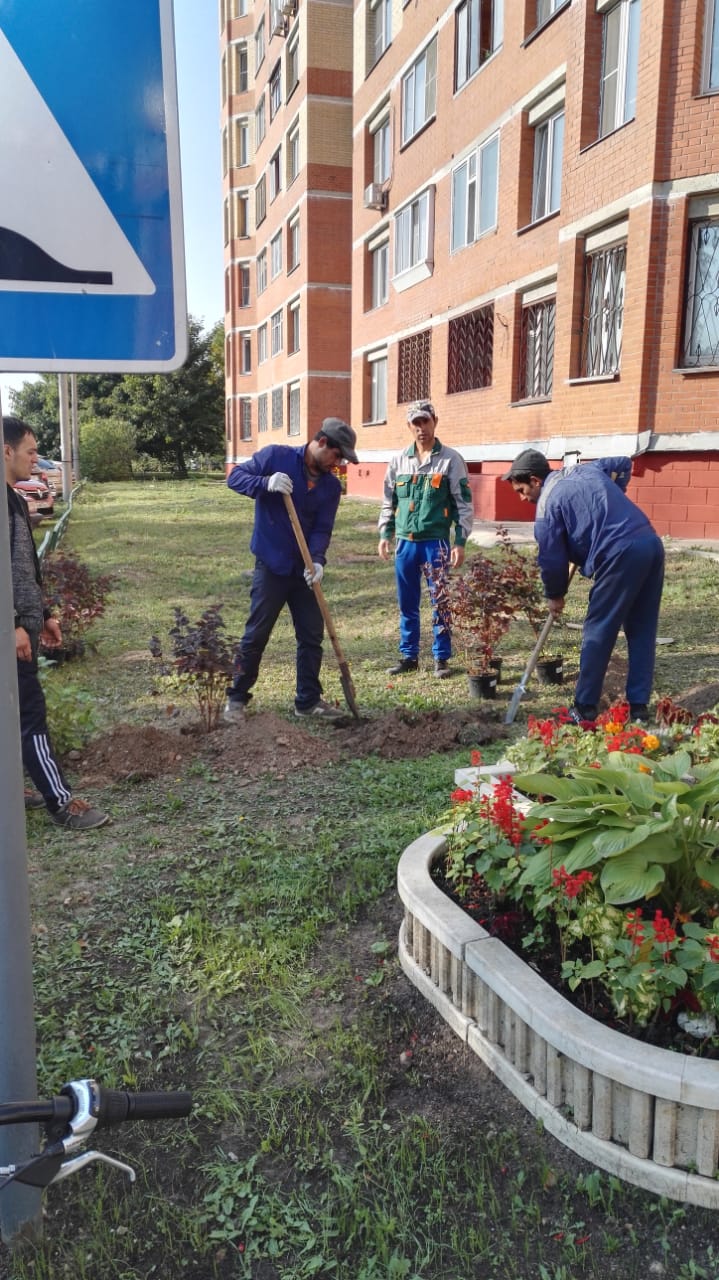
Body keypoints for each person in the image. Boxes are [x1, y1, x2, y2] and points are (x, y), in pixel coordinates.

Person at [503, 447, 665, 723]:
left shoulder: (546, 506)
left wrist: (555, 595)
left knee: (598, 630)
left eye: (521, 490)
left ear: (535, 480)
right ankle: (639, 707)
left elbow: (551, 559)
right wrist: (613, 496)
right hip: (650, 544)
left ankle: (584, 707)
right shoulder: (586, 469)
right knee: (641, 630)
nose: (522, 498)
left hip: (619, 553)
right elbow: (622, 463)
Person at [4, 415, 109, 830]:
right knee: (30, 714)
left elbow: (22, 567)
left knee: (11, 712)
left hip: (23, 622)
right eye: (30, 450)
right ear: (6, 450)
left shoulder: (12, 498)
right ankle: (62, 804)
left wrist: (44, 614)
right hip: (9, 629)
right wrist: (11, 623)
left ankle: (10, 788)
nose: (36, 458)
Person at [225, 418, 358, 721]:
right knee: (256, 634)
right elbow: (235, 477)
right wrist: (265, 483)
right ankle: (236, 699)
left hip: (304, 573)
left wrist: (318, 561)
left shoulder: (330, 487)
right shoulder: (276, 457)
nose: (338, 464)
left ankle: (308, 701)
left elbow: (322, 529)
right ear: (322, 442)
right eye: (337, 456)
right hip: (271, 567)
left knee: (311, 636)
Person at [378, 400, 474, 678]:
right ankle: (409, 656)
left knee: (440, 600)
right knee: (407, 602)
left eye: (425, 421)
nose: (421, 428)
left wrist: (460, 541)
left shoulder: (450, 460)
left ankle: (441, 658)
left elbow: (463, 503)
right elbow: (388, 500)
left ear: (435, 421)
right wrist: (385, 533)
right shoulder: (398, 461)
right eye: (415, 423)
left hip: (436, 543)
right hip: (405, 543)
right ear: (409, 426)